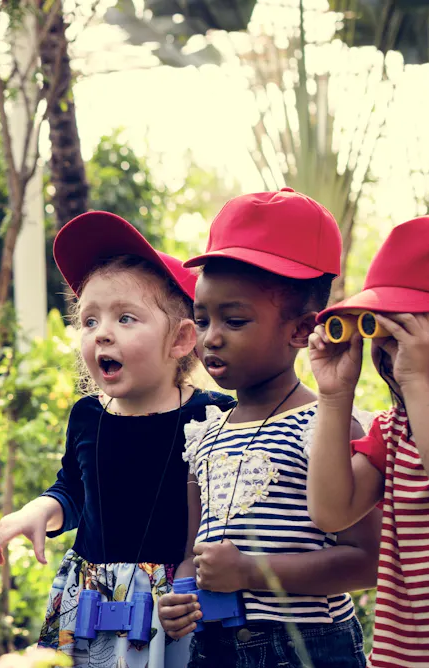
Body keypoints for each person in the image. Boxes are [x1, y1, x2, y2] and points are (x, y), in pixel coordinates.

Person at [0, 211, 233, 668]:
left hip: (175, 603)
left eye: (125, 318)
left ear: (181, 339)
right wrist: (40, 510)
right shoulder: (87, 416)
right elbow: (74, 490)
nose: (101, 332)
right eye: (89, 320)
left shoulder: (213, 416)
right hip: (90, 602)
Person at [155, 189, 377, 667]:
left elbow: (365, 559)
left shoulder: (326, 426)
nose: (211, 337)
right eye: (202, 319)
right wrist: (181, 596)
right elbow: (195, 551)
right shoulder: (204, 434)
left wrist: (251, 571)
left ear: (301, 330)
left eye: (235, 321)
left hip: (306, 647)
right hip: (213, 648)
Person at [306, 214, 429, 667]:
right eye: (379, 327)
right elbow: (331, 511)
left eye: (407, 326)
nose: (390, 346)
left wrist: (416, 380)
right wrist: (334, 396)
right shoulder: (395, 430)